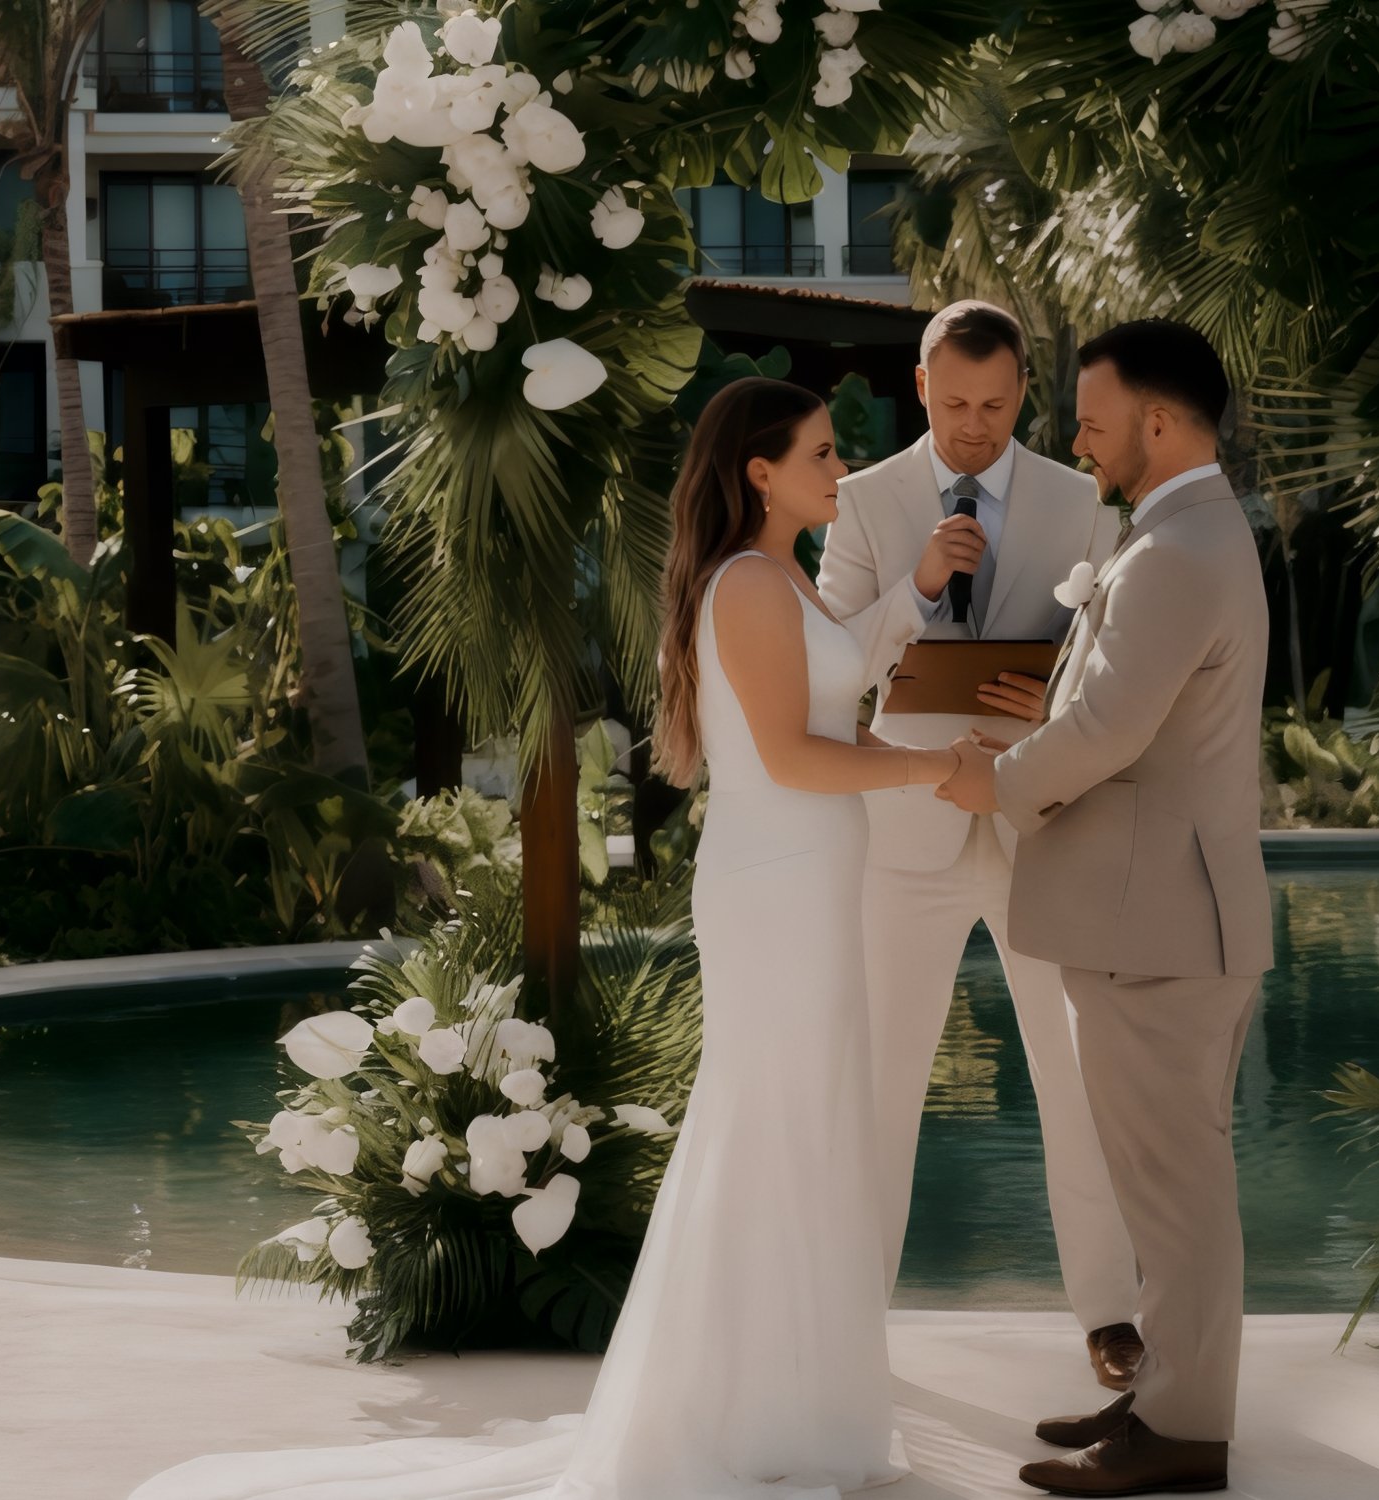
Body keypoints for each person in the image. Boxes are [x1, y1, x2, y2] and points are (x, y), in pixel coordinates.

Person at [127, 376, 946, 1500]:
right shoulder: (751, 586)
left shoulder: (781, 579)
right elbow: (800, 760)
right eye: (817, 453)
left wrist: (909, 596)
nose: (837, 469)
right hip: (779, 888)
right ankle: (747, 1414)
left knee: (808, 1125)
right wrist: (935, 768)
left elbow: (826, 692)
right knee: (775, 1127)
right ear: (758, 473)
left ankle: (789, 1406)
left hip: (806, 883)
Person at [939, 318, 1271, 1497]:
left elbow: (1113, 732)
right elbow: (1128, 712)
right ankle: (1164, 1403)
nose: (1075, 437)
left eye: (1092, 418)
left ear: (1162, 422)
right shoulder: (1181, 534)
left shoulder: (1177, 551)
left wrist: (1001, 779)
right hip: (1163, 913)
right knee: (1164, 1185)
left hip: (1158, 924)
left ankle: (1180, 1435)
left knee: (1174, 1192)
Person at [814, 299, 1142, 1392]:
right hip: (900, 833)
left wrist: (1049, 694)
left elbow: (1115, 663)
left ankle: (1110, 1314)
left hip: (1038, 819)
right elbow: (830, 676)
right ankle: (853, 1322)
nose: (973, 425)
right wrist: (910, 586)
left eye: (996, 406)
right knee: (883, 1082)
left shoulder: (1080, 500)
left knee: (1076, 1076)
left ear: (1021, 396)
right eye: (954, 404)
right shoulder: (860, 504)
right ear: (920, 388)